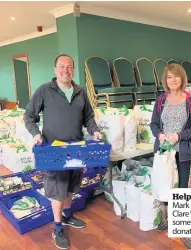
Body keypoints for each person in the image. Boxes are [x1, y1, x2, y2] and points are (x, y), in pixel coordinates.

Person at [24, 54, 102, 250]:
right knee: (58, 190)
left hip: (76, 149)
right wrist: (35, 134)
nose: (65, 70)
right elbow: (29, 116)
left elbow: (89, 117)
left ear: (73, 70)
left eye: (69, 67)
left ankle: (67, 216)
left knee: (70, 187)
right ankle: (57, 228)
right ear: (54, 69)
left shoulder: (80, 91)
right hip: (54, 150)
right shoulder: (45, 90)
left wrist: (94, 130)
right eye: (61, 66)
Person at [150, 63, 191, 250]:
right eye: (169, 77)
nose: (173, 80)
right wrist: (160, 135)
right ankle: (166, 219)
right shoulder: (160, 100)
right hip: (164, 152)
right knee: (165, 185)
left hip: (183, 152)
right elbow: (154, 124)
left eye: (176, 76)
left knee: (181, 189)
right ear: (165, 80)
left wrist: (179, 136)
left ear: (182, 79)